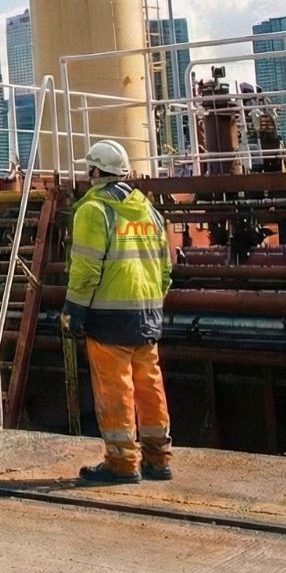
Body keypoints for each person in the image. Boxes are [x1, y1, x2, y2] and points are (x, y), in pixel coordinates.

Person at [65, 139, 174, 484]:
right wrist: (152, 303)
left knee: (116, 389)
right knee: (149, 386)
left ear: (95, 172)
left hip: (109, 317)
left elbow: (85, 269)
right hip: (147, 314)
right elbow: (166, 268)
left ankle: (122, 463)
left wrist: (73, 310)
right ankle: (158, 460)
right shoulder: (149, 211)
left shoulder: (93, 211)